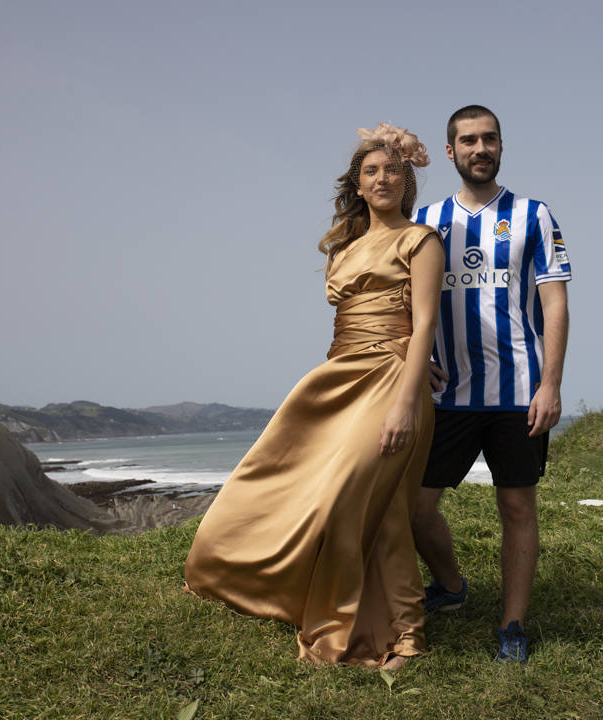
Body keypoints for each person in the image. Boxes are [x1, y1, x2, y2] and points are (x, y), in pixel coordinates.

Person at [183, 124, 445, 669]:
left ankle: (406, 637)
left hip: (392, 383)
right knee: (279, 478)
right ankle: (241, 572)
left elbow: (423, 326)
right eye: (371, 171)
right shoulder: (343, 248)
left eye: (392, 169)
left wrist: (406, 395)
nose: (382, 178)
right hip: (337, 378)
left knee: (374, 502)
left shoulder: (420, 240)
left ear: (407, 180)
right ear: (357, 183)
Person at [411, 105, 571, 663]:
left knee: (518, 508)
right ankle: (452, 586)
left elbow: (555, 304)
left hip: (518, 392)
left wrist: (550, 383)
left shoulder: (534, 215)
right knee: (413, 506)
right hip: (445, 394)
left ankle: (512, 626)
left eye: (490, 139)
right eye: (468, 141)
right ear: (450, 151)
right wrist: (412, 360)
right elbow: (403, 300)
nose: (481, 149)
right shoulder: (426, 219)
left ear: (501, 146)